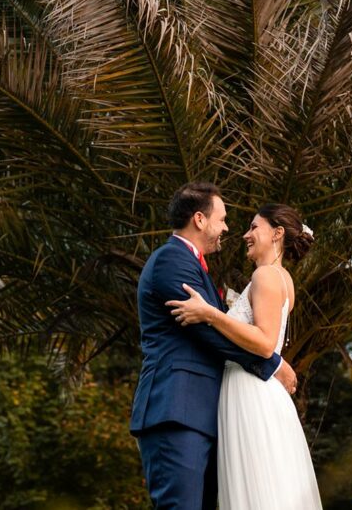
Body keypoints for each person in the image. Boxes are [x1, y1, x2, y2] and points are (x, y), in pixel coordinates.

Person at [130, 182, 298, 509]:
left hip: (204, 414)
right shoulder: (171, 260)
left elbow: (216, 323)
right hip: (176, 409)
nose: (227, 228)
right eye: (222, 219)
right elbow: (207, 333)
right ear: (199, 219)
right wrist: (272, 364)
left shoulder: (197, 268)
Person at [168, 202, 323, 509]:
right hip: (255, 389)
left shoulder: (266, 275)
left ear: (277, 233)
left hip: (250, 391)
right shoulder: (279, 278)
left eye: (254, 227)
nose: (245, 235)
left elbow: (265, 343)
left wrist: (210, 314)